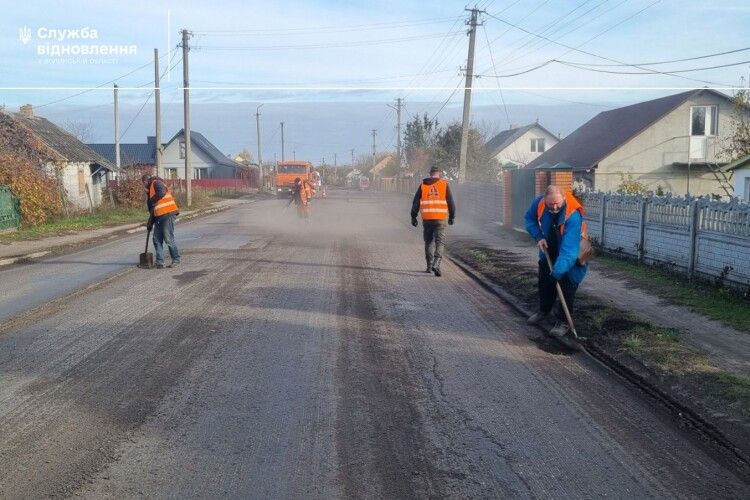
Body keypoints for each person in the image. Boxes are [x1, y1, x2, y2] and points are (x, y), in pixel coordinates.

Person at [524, 185, 588, 337]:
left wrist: (557, 272)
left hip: (574, 253)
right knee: (545, 283)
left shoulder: (573, 215)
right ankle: (543, 311)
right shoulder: (539, 202)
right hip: (550, 247)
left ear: (564, 198)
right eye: (550, 204)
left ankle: (563, 322)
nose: (554, 207)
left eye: (557, 203)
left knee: (567, 286)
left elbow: (569, 251)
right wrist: (538, 236)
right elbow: (529, 219)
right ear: (544, 199)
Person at [410, 166, 456, 277]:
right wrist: (452, 217)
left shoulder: (422, 185)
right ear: (439, 173)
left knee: (429, 242)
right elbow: (451, 202)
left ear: (430, 174)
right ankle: (436, 263)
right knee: (440, 242)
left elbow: (416, 202)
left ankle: (429, 267)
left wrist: (413, 216)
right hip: (440, 218)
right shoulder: (444, 184)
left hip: (427, 219)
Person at [142, 174, 180, 269]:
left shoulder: (156, 182)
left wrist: (152, 199)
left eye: (143, 184)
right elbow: (153, 210)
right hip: (159, 216)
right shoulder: (150, 192)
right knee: (156, 239)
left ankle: (176, 259)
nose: (143, 187)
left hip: (168, 214)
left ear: (146, 181)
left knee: (168, 238)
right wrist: (150, 223)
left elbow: (161, 192)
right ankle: (160, 262)